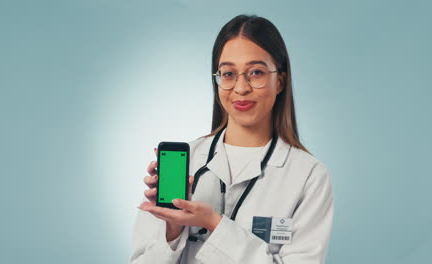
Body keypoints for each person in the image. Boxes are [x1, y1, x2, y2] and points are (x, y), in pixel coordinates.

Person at [130, 14, 334, 264]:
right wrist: (172, 231)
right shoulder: (186, 161)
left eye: (256, 72)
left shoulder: (308, 176)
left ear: (279, 81)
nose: (241, 88)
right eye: (228, 74)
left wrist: (213, 224)